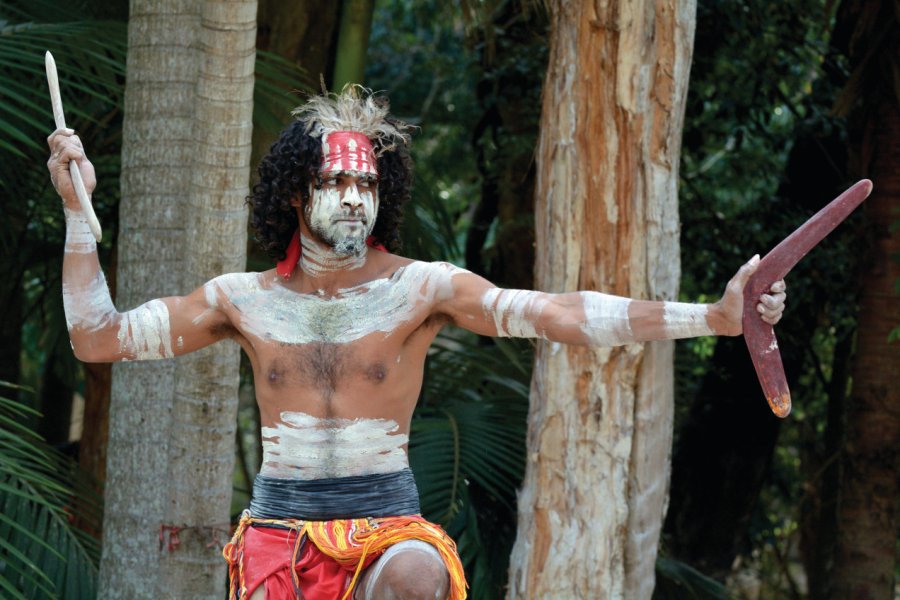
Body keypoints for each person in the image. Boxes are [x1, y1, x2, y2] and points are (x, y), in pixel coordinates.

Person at [47, 86, 786, 600]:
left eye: (366, 185)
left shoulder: (421, 289)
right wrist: (80, 219)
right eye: (334, 180)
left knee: (414, 577)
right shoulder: (241, 300)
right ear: (296, 194)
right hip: (279, 538)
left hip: (386, 528)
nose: (352, 198)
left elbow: (558, 311)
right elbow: (96, 338)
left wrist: (711, 317)